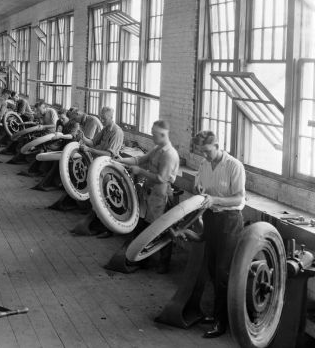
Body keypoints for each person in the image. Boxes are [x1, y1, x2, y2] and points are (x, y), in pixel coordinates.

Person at [192, 130, 245, 339]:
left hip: (230, 221)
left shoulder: (234, 166)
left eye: (207, 151)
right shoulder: (205, 164)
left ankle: (222, 322)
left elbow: (238, 198)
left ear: (217, 146)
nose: (204, 155)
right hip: (212, 219)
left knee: (223, 273)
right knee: (213, 269)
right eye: (201, 152)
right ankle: (216, 314)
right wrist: (198, 190)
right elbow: (200, 186)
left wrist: (215, 200)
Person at [118, 120, 180, 273]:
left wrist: (140, 171)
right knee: (145, 227)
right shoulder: (158, 148)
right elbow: (140, 159)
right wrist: (120, 160)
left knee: (163, 229)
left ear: (163, 134)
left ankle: (163, 263)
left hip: (162, 195)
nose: (152, 137)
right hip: (151, 194)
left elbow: (161, 178)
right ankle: (143, 259)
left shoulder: (169, 154)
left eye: (154, 134)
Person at [70, 106, 124, 236]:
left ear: (111, 117)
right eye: (101, 117)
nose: (101, 120)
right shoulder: (105, 129)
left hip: (110, 168)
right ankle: (97, 221)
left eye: (104, 118)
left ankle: (107, 227)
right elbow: (93, 142)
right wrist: (83, 138)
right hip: (99, 165)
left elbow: (109, 154)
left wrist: (91, 151)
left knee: (105, 196)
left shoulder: (117, 132)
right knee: (97, 194)